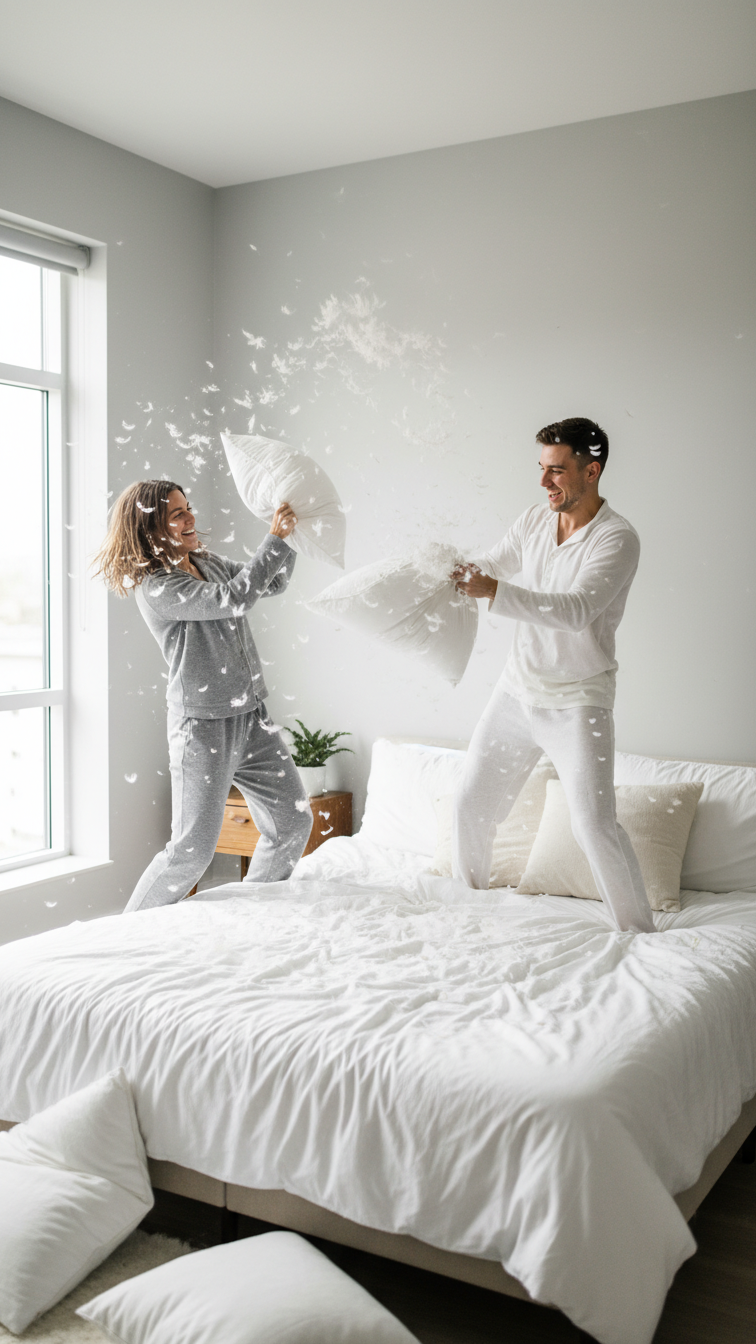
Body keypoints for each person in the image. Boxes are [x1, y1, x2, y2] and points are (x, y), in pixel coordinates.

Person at [451, 417, 655, 934]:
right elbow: (491, 562)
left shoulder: (618, 539)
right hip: (516, 694)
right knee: (469, 803)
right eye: (541, 469)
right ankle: (464, 909)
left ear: (592, 471)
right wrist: (451, 568)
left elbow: (576, 609)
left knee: (593, 825)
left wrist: (493, 591)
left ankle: (639, 932)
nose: (544, 483)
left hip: (579, 702)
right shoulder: (533, 521)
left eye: (557, 471)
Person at [94, 480, 312, 911]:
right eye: (177, 514)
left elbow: (271, 584)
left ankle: (252, 910)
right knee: (190, 851)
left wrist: (292, 540)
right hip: (202, 728)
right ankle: (127, 935)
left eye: (188, 507)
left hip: (251, 717)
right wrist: (275, 537)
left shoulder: (204, 563)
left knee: (292, 821)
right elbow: (234, 599)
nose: (191, 517)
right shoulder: (158, 586)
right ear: (151, 528)